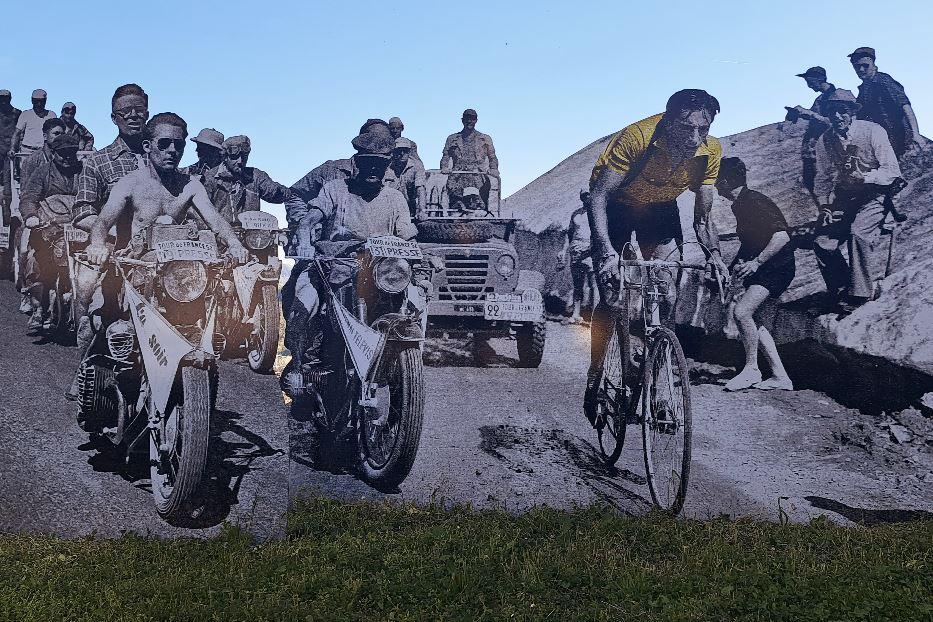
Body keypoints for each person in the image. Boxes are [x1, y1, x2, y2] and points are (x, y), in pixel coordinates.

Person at [584, 89, 728, 426]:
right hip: (617, 205)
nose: (695, 140)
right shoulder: (637, 138)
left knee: (668, 291)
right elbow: (599, 197)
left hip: (660, 209)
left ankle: (659, 389)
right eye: (686, 129)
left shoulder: (710, 152)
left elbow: (703, 218)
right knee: (612, 295)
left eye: (703, 130)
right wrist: (605, 251)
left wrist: (716, 256)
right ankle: (595, 373)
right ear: (668, 122)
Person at [281, 120, 417, 392]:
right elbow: (311, 217)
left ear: (387, 165)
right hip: (334, 267)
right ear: (357, 161)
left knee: (413, 305)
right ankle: (300, 366)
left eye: (380, 165)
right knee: (303, 305)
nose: (373, 171)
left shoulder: (395, 198)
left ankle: (402, 367)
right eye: (368, 163)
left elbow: (407, 234)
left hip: (379, 274)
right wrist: (305, 236)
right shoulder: (336, 189)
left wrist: (418, 252)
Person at [67, 83, 150, 400]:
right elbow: (83, 210)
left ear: (147, 111)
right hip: (117, 258)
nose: (133, 115)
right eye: (125, 111)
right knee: (99, 312)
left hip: (159, 261)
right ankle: (86, 369)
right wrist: (104, 236)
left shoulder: (162, 157)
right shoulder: (98, 162)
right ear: (113, 117)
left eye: (138, 109)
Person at [812, 89, 903, 316]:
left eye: (842, 111)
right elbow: (822, 177)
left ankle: (861, 295)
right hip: (845, 198)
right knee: (823, 242)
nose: (837, 117)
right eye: (832, 112)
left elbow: (892, 171)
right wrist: (824, 206)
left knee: (858, 233)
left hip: (875, 194)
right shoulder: (825, 140)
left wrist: (866, 178)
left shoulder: (873, 131)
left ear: (852, 113)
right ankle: (842, 289)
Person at [714, 157, 795, 391]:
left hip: (777, 268)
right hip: (769, 267)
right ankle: (781, 377)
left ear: (726, 181)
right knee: (755, 321)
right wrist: (731, 271)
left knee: (742, 312)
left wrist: (756, 263)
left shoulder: (754, 202)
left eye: (717, 180)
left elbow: (782, 236)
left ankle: (752, 369)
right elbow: (750, 243)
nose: (716, 185)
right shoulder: (741, 204)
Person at [19, 134, 82, 330]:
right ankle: (37, 306)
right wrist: (31, 216)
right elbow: (29, 198)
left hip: (76, 229)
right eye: (62, 153)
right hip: (47, 229)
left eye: (71, 153)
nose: (67, 158)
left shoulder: (84, 172)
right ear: (53, 153)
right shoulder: (42, 172)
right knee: (35, 262)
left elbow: (95, 195)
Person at [848, 47, 921, 161]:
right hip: (885, 142)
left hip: (902, 138)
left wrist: (915, 134)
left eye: (865, 65)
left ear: (873, 64)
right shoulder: (863, 90)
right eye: (857, 67)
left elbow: (905, 106)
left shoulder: (884, 81)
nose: (861, 69)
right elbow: (858, 115)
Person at [202, 135, 289, 224]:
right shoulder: (210, 178)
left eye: (244, 156)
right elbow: (201, 211)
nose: (240, 161)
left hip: (251, 234)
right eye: (235, 157)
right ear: (225, 157)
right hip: (222, 234)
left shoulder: (256, 176)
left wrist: (277, 191)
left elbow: (279, 196)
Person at [785, 66, 836, 200]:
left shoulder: (835, 97)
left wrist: (808, 113)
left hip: (822, 150)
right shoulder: (820, 99)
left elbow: (831, 123)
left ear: (818, 79)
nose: (808, 86)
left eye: (809, 81)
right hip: (812, 150)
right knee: (810, 182)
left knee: (821, 184)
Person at [440, 108, 499, 210]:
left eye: (472, 119)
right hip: (458, 176)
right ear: (462, 120)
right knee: (456, 207)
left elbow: (493, 157)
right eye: (467, 118)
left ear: (476, 120)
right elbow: (445, 156)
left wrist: (493, 169)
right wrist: (444, 167)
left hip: (478, 176)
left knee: (479, 206)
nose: (469, 121)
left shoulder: (485, 139)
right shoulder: (452, 139)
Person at [557, 190, 596, 325]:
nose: (585, 198)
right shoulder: (576, 214)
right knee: (577, 284)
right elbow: (569, 233)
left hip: (591, 252)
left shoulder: (597, 214)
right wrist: (563, 250)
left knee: (593, 285)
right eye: (583, 196)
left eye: (588, 195)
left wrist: (593, 247)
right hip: (576, 251)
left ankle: (595, 317)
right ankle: (575, 313)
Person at [384, 137, 426, 218]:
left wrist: (422, 210)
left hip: (409, 206)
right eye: (399, 150)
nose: (402, 153)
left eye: (405, 150)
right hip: (388, 206)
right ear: (393, 152)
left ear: (409, 152)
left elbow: (420, 189)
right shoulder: (386, 165)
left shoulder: (417, 165)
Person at [10, 89, 56, 162]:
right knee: (26, 172)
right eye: (36, 101)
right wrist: (12, 149)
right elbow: (17, 133)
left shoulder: (51, 115)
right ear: (32, 101)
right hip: (27, 152)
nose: (39, 104)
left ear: (45, 101)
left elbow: (56, 134)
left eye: (41, 101)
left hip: (44, 152)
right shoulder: (25, 114)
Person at [0, 90, 20, 227]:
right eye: (1, 98)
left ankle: (7, 222)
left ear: (10, 98)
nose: (3, 101)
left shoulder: (17, 114)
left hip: (9, 156)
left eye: (6, 98)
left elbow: (20, 133)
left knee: (8, 188)